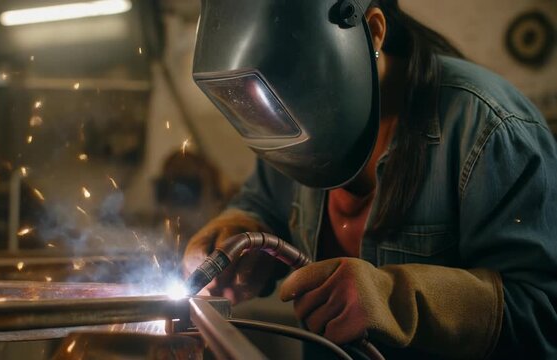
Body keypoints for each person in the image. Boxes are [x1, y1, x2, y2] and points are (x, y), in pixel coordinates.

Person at [184, 0, 557, 358]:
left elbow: (543, 316)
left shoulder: (488, 128)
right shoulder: (279, 111)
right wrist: (236, 236)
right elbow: (263, 204)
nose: (274, 111)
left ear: (373, 31)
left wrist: (394, 300)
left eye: (294, 87)